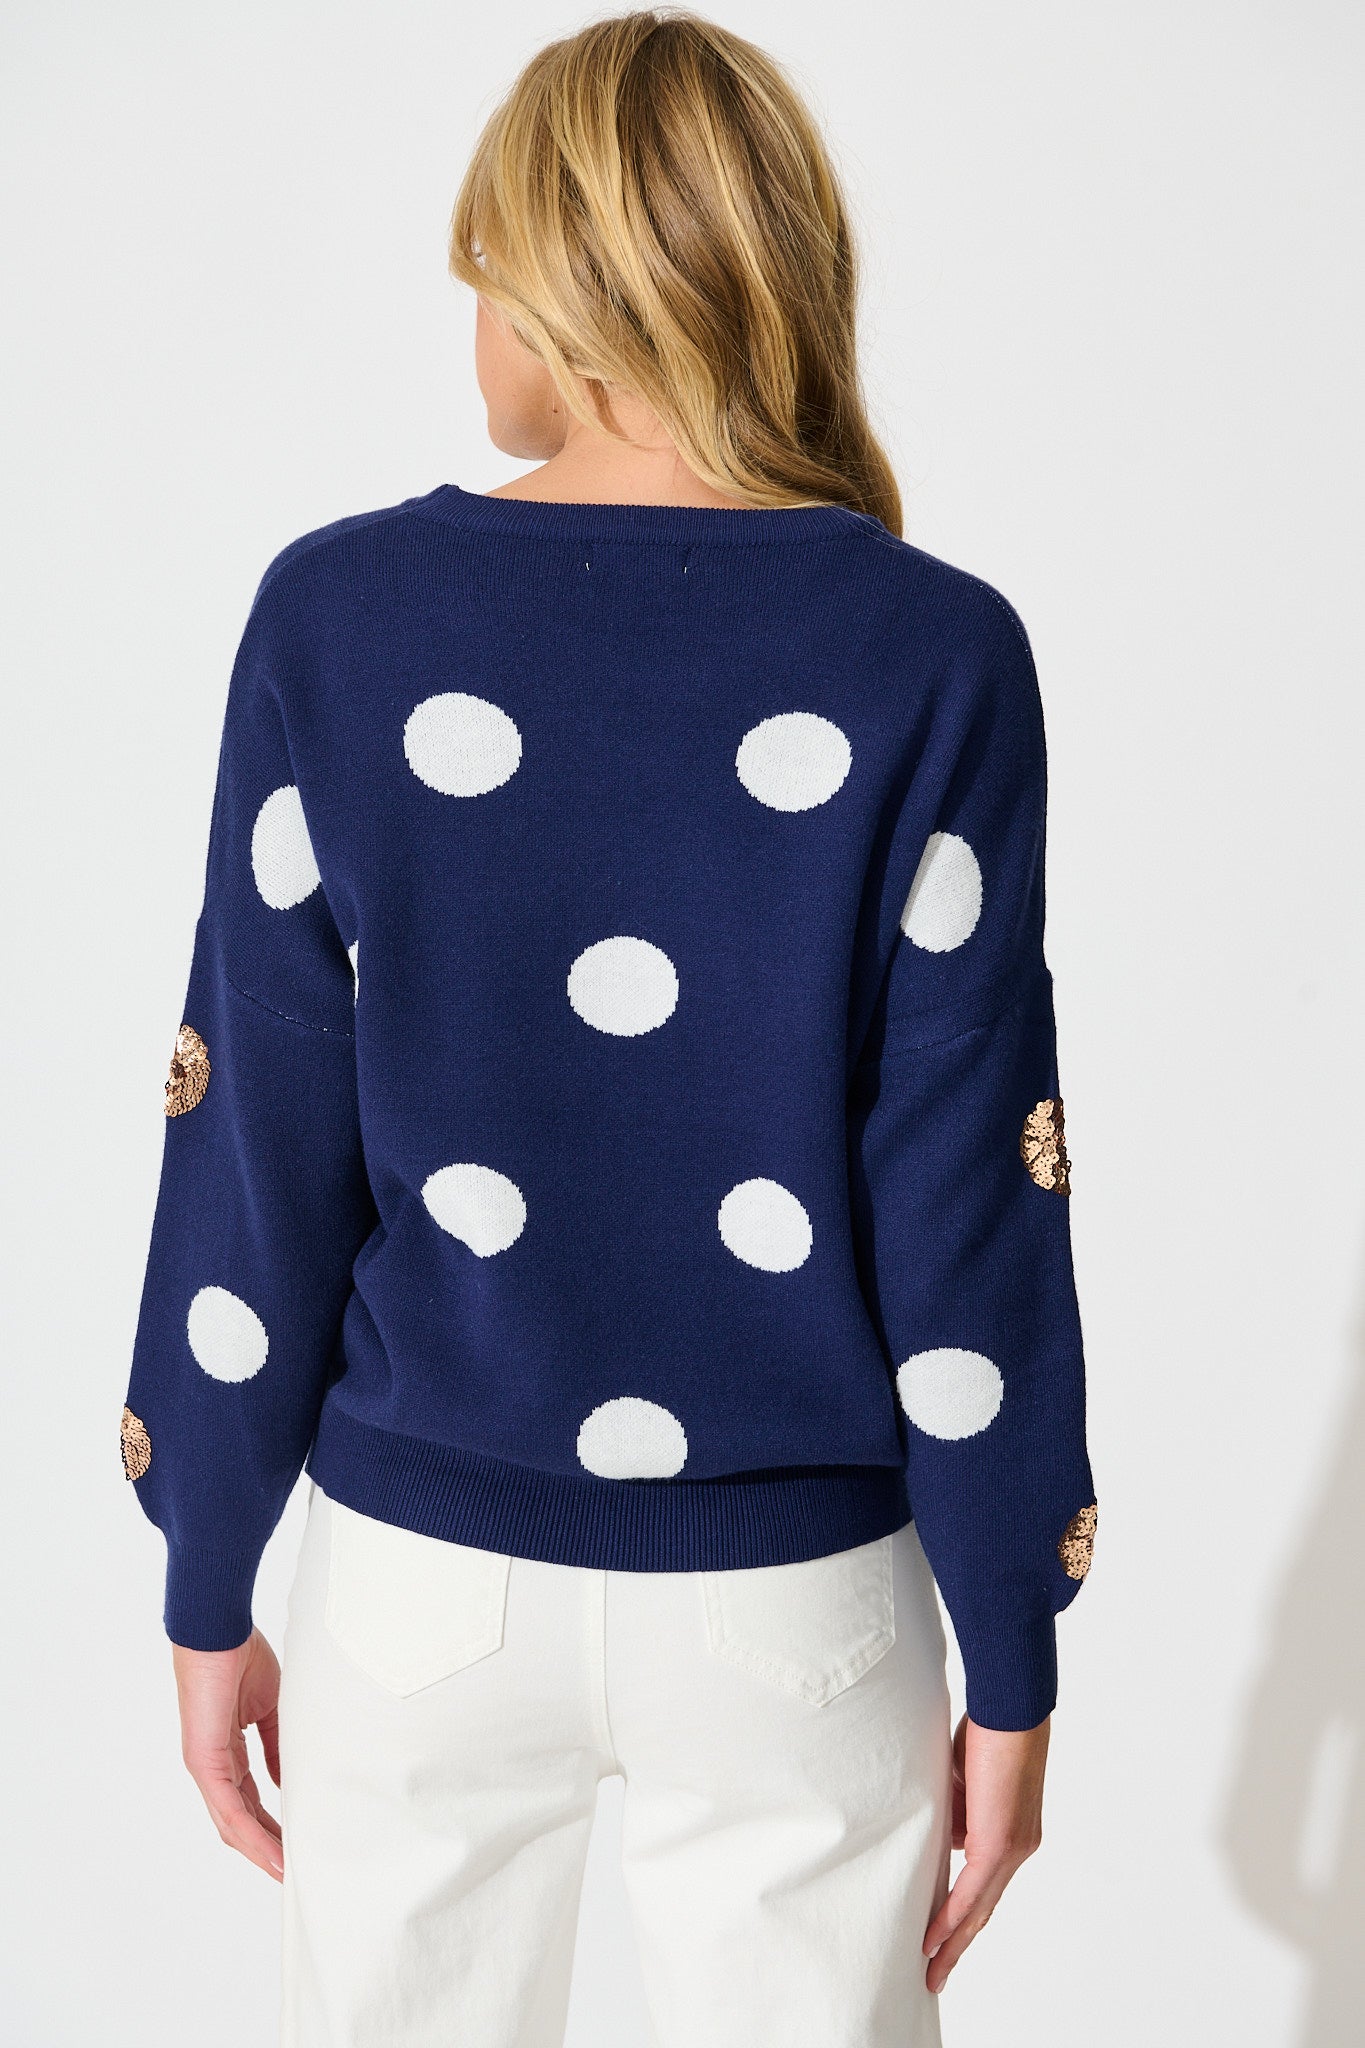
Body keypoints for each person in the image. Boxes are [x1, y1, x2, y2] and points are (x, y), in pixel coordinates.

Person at [120, 12, 1096, 2043]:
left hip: (419, 1585)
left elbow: (255, 1140)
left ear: (562, 293)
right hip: (797, 1609)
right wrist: (1008, 1652)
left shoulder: (336, 616)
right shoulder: (933, 649)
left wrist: (208, 1570)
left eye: (478, 265)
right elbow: (969, 1195)